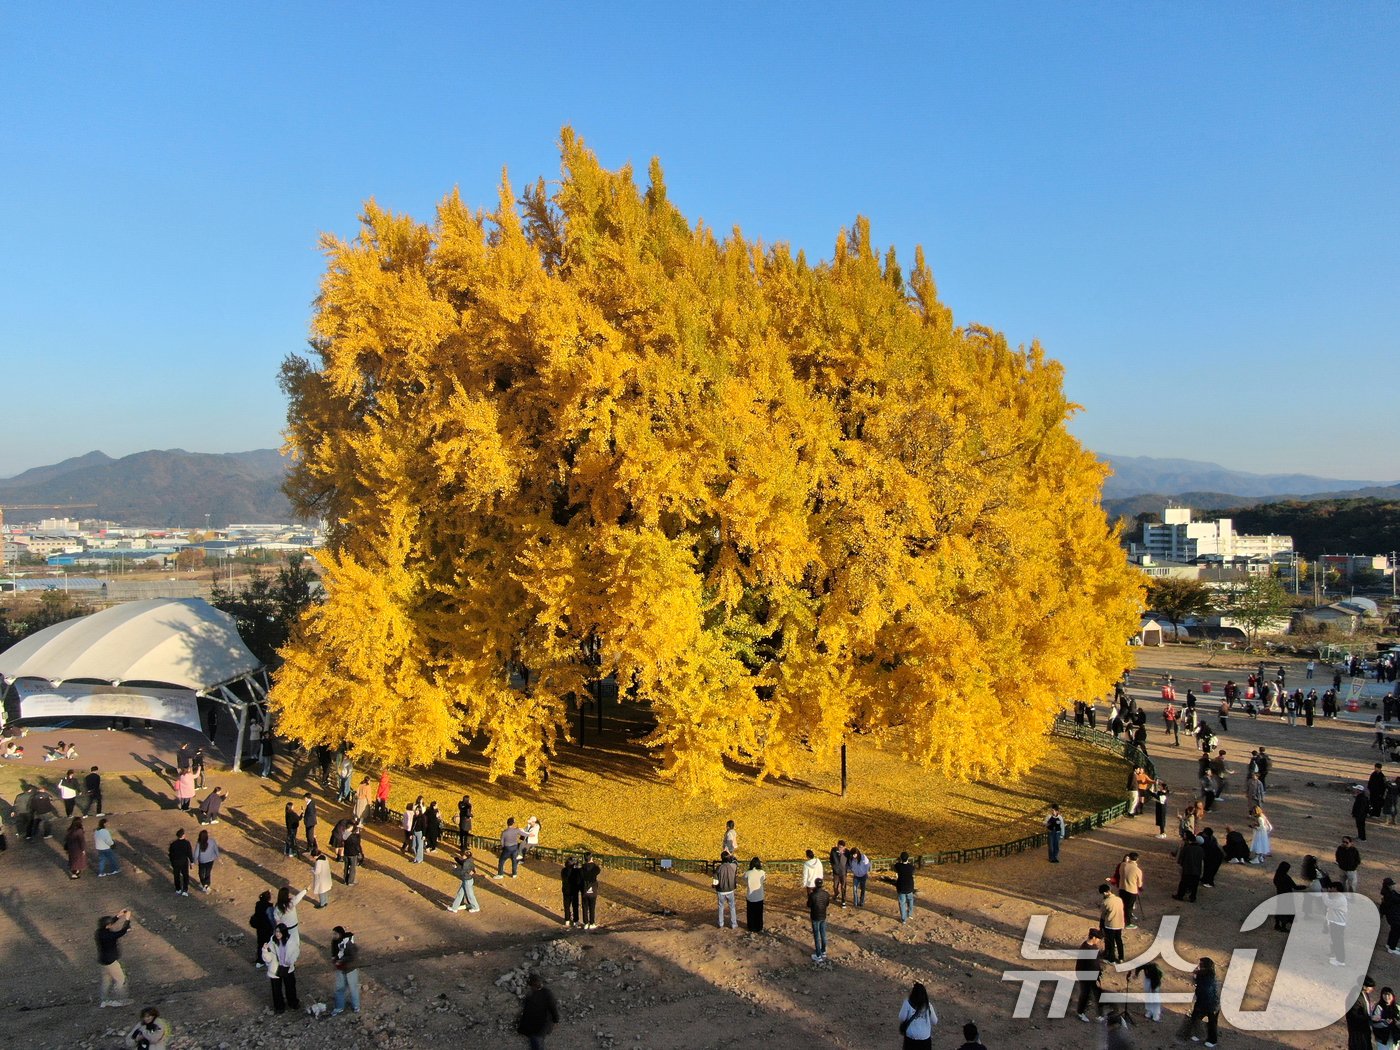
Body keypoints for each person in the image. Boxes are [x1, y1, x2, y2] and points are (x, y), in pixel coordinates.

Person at [97, 909, 134, 1007]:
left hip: (103, 961)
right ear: (107, 926)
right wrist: (127, 919)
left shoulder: (99, 932)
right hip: (111, 962)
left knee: (106, 981)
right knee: (121, 980)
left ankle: (104, 1000)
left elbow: (108, 925)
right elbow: (122, 932)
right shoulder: (109, 936)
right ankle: (120, 1000)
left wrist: (118, 916)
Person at [262, 923, 301, 1013]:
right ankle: (279, 1007)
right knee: (276, 990)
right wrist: (265, 951)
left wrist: (290, 962)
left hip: (287, 968)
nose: (277, 934)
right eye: (276, 932)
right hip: (275, 969)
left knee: (290, 987)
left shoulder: (291, 942)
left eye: (279, 932)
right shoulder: (271, 943)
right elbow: (267, 959)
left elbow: (295, 952)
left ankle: (293, 1003)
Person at [1180, 957, 1219, 1045]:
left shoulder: (1207, 978)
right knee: (1195, 1018)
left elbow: (1203, 990)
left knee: (1211, 1022)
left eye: (1200, 965)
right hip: (1204, 1001)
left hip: (1211, 1003)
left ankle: (1212, 1040)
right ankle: (1198, 1033)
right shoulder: (1205, 974)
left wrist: (1195, 976)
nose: (1198, 966)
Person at [516, 972, 560, 1049]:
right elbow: (553, 1008)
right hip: (537, 1025)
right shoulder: (542, 993)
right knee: (536, 1042)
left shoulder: (541, 994)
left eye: (531, 985)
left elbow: (553, 1008)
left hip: (538, 1027)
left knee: (537, 1043)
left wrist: (556, 1020)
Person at [1075, 928, 1105, 1022]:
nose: (1099, 941)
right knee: (1086, 994)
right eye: (1098, 939)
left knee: (1093, 994)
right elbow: (1092, 965)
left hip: (1089, 974)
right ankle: (1081, 1012)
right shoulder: (1087, 949)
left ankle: (1099, 1014)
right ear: (1094, 938)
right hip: (1087, 975)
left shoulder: (1090, 946)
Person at [897, 980, 938, 1049]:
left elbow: (901, 1018)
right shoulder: (928, 1006)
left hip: (911, 1038)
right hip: (925, 1039)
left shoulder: (907, 1003)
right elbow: (935, 1021)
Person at [331, 926, 361, 1015]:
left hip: (350, 969)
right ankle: (339, 1007)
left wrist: (341, 960)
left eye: (335, 933)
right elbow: (335, 953)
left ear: (340, 934)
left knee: (353, 988)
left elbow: (352, 957)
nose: (333, 935)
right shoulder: (335, 942)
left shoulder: (348, 943)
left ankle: (356, 1006)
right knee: (339, 989)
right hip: (340, 969)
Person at [1348, 976, 1378, 1050]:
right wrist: (1370, 1017)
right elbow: (1354, 1015)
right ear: (1364, 986)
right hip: (1358, 1030)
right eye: (1370, 987)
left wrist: (1370, 1009)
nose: (1372, 989)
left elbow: (1364, 1008)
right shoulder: (1354, 996)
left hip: (1364, 1028)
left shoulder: (1364, 993)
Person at [275, 885, 308, 951]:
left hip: (284, 929)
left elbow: (277, 919)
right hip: (293, 928)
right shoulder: (291, 903)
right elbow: (298, 897)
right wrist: (306, 890)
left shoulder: (277, 907)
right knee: (295, 944)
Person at [1099, 883, 1125, 963]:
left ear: (1104, 893)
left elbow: (1103, 915)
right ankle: (1121, 957)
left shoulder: (1106, 902)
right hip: (1119, 924)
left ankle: (1111, 958)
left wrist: (1101, 925)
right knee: (1119, 940)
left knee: (1111, 942)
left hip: (1110, 925)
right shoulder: (1119, 899)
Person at [249, 889, 275, 968]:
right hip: (267, 929)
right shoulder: (269, 907)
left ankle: (260, 961)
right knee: (269, 944)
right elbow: (271, 919)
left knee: (260, 944)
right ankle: (268, 960)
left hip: (260, 929)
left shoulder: (258, 905)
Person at [1327, 880, 1350, 966]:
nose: (1330, 889)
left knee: (1338, 942)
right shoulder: (1338, 896)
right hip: (1336, 923)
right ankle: (1337, 957)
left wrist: (1324, 895)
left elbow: (1329, 903)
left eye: (1331, 888)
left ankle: (1340, 960)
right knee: (1336, 940)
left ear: (1336, 888)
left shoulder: (1339, 898)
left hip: (1337, 923)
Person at [1173, 835, 1203, 903]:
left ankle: (1180, 896)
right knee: (1195, 885)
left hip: (1187, 869)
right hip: (1197, 870)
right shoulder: (1201, 849)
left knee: (1183, 883)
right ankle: (1192, 897)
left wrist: (1181, 864)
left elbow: (1181, 858)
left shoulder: (1186, 848)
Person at [807, 876, 831, 961]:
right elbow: (827, 904)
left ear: (815, 884)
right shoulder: (826, 894)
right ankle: (823, 951)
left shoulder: (812, 895)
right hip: (823, 916)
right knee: (823, 934)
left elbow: (808, 905)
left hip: (815, 916)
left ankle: (818, 955)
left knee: (817, 936)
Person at [714, 851, 739, 929]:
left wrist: (714, 886)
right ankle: (734, 924)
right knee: (732, 907)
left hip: (721, 890)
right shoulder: (733, 866)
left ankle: (721, 923)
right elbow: (736, 862)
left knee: (721, 906)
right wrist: (733, 857)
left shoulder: (718, 868)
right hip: (730, 889)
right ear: (729, 859)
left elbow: (715, 880)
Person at [1272, 862, 1299, 933]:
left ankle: (1277, 924)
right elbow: (1295, 887)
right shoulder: (1286, 878)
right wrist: (1306, 886)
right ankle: (1283, 927)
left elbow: (1275, 882)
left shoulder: (1277, 875)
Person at [1118, 853, 1143, 928]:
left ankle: (1120, 919)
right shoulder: (1138, 870)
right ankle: (1128, 923)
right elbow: (1139, 884)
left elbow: (1120, 874)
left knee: (1122, 905)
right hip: (1131, 890)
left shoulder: (1123, 865)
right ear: (1137, 859)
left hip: (1122, 888)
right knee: (1129, 907)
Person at [744, 857, 766, 932]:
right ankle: (759, 926)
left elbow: (744, 878)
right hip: (759, 896)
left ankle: (751, 927)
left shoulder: (748, 873)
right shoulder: (762, 872)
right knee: (759, 913)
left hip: (750, 896)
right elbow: (764, 879)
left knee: (750, 913)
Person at [168, 828, 193, 896]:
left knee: (176, 876)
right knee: (185, 875)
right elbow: (189, 853)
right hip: (184, 862)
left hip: (175, 862)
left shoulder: (173, 844)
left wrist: (172, 861)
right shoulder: (187, 843)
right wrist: (191, 861)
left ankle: (178, 889)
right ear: (183, 835)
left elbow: (170, 854)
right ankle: (185, 890)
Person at [1372, 986, 1398, 1050]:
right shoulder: (1379, 1007)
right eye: (1384, 994)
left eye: (1388, 994)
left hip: (1394, 1038)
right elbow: (1374, 1024)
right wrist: (1385, 1023)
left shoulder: (1397, 1007)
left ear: (1392, 996)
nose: (1386, 997)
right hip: (1383, 1039)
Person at [579, 852, 601, 929]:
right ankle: (592, 923)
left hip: (585, 889)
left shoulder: (582, 869)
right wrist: (592, 863)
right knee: (592, 907)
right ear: (591, 858)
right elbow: (598, 870)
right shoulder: (595, 868)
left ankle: (585, 923)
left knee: (585, 907)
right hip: (593, 889)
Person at [895, 851, 917, 923]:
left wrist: (899, 861)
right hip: (909, 887)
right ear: (908, 858)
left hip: (901, 887)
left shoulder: (898, 866)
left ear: (901, 859)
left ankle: (903, 919)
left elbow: (895, 865)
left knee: (902, 903)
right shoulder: (911, 867)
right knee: (910, 900)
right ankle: (910, 913)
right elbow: (913, 871)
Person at [560, 857, 582, 927]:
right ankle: (575, 920)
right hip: (574, 890)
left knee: (566, 905)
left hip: (566, 890)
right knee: (575, 906)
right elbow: (578, 880)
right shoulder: (576, 871)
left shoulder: (563, 870)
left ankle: (567, 920)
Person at [343, 821, 364, 886]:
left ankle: (345, 879)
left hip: (346, 852)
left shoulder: (344, 834)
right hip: (353, 853)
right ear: (351, 827)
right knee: (352, 868)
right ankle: (350, 881)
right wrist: (358, 833)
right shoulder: (352, 837)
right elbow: (357, 843)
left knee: (346, 866)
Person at [1383, 878, 1400, 954]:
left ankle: (1389, 945)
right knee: (1396, 931)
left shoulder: (1390, 892)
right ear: (1388, 886)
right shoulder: (1389, 894)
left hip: (1394, 915)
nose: (1393, 886)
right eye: (1392, 885)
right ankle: (1392, 948)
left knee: (1394, 930)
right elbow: (1397, 899)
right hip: (1393, 916)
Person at [828, 840, 848, 907]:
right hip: (835, 872)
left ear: (844, 847)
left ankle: (843, 900)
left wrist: (846, 868)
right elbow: (831, 859)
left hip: (843, 872)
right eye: (838, 846)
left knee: (843, 886)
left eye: (841, 847)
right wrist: (833, 866)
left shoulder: (847, 852)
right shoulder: (833, 850)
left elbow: (849, 861)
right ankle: (836, 893)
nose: (839, 848)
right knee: (835, 886)